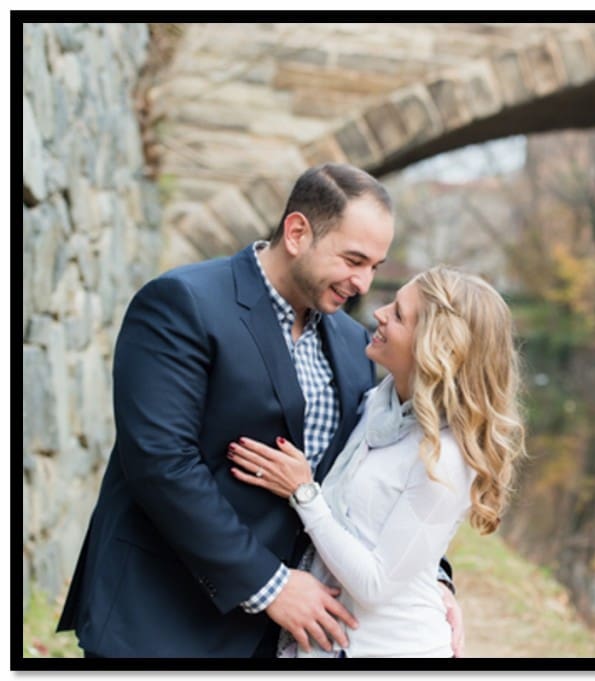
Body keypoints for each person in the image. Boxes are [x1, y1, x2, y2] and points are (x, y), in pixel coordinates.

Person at [56, 163, 461, 658]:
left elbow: (376, 470)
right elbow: (161, 464)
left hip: (274, 643)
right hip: (159, 618)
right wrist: (269, 584)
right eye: (354, 259)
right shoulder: (182, 303)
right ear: (296, 233)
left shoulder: (355, 344)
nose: (363, 282)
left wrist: (429, 576)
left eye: (375, 266)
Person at [227, 266, 527, 657]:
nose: (380, 313)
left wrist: (304, 494)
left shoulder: (445, 459)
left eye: (399, 315)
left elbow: (375, 583)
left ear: (435, 348)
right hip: (326, 640)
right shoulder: (378, 404)